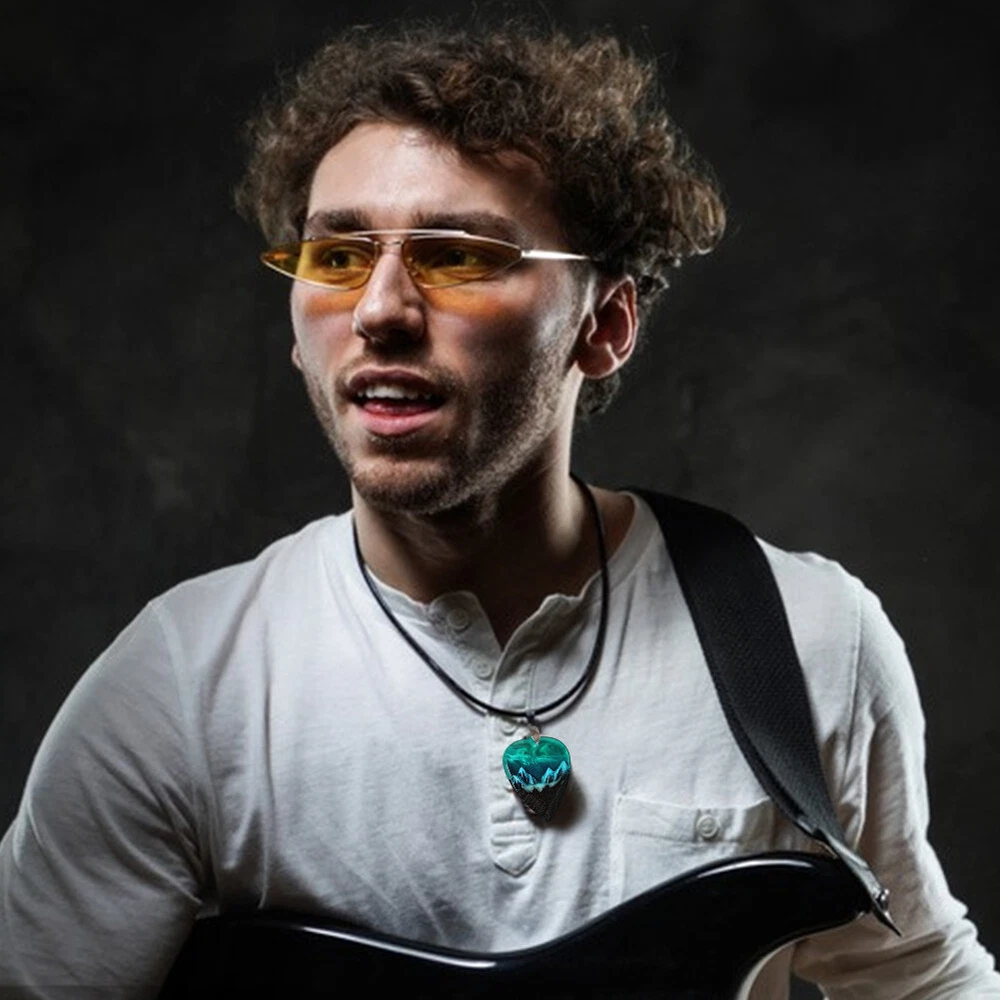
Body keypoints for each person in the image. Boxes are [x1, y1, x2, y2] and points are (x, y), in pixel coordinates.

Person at [1, 20, 998, 1000]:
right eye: (337, 257)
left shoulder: (806, 638)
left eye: (457, 256)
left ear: (604, 324)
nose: (379, 310)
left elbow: (919, 978)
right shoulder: (183, 684)